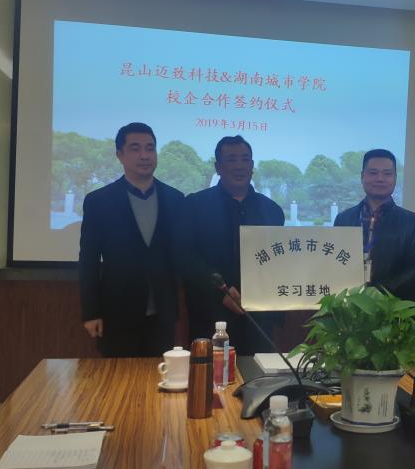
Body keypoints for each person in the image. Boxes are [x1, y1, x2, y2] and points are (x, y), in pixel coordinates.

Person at [78, 122, 185, 357]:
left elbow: (182, 254)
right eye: (135, 148)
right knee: (118, 377)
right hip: (116, 313)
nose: (144, 155)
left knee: (161, 375)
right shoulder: (99, 201)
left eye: (150, 148)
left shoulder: (176, 199)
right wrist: (91, 312)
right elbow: (88, 260)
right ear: (120, 155)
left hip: (163, 314)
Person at [177, 135, 285, 353]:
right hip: (211, 314)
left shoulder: (272, 210)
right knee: (213, 372)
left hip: (259, 318)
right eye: (231, 159)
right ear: (218, 167)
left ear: (252, 166)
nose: (239, 166)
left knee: (260, 372)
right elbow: (185, 257)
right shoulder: (195, 205)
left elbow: (279, 263)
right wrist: (221, 292)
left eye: (245, 159)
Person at [333, 149, 415, 301]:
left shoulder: (413, 222)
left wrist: (380, 292)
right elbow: (334, 261)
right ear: (362, 176)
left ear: (395, 178)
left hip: (393, 306)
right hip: (348, 304)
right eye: (373, 173)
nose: (380, 179)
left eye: (387, 174)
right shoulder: (343, 219)